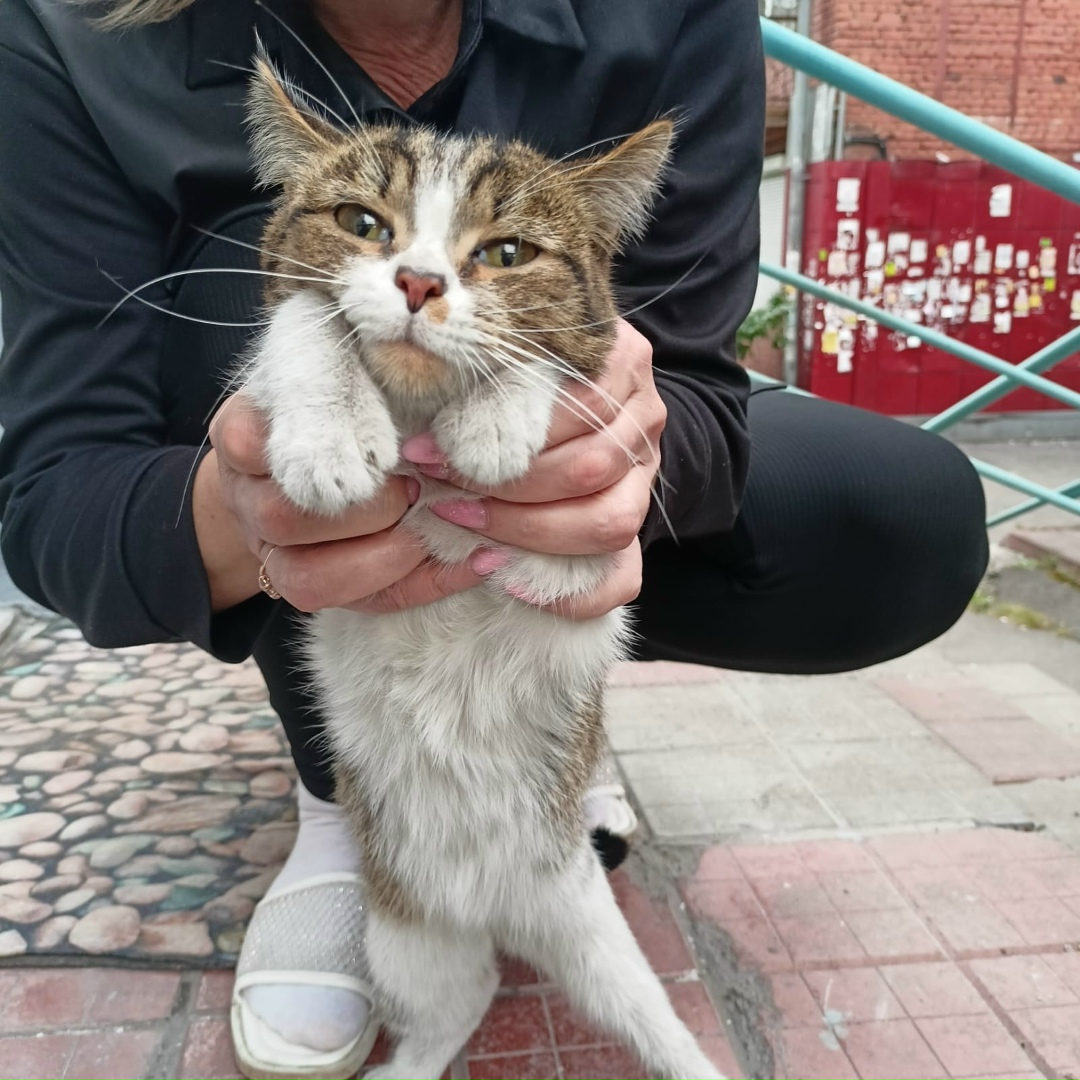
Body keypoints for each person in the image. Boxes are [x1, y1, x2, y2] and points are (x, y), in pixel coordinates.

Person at [0, 0, 989, 1075]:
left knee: (902, 512)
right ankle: (347, 799)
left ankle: (534, 730)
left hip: (531, 508)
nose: (424, 275)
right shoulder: (64, 30)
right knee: (259, 275)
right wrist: (240, 509)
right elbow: (58, 491)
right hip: (312, 562)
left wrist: (611, 453)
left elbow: (700, 382)